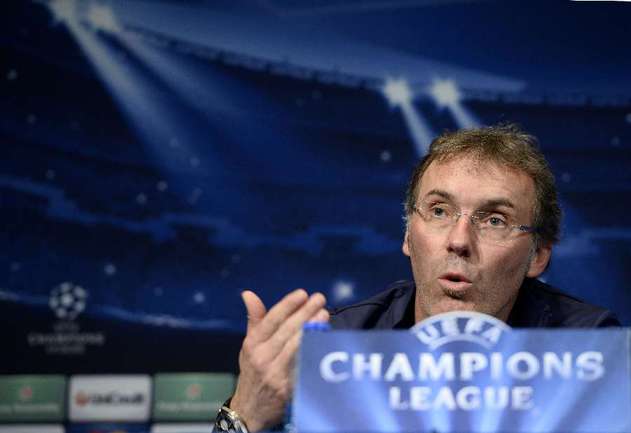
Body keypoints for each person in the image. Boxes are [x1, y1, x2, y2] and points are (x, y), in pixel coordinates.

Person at [213, 124, 619, 433]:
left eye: (495, 220)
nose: (459, 241)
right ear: (409, 235)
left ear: (539, 255)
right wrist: (246, 414)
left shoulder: (587, 349)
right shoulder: (340, 345)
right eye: (439, 211)